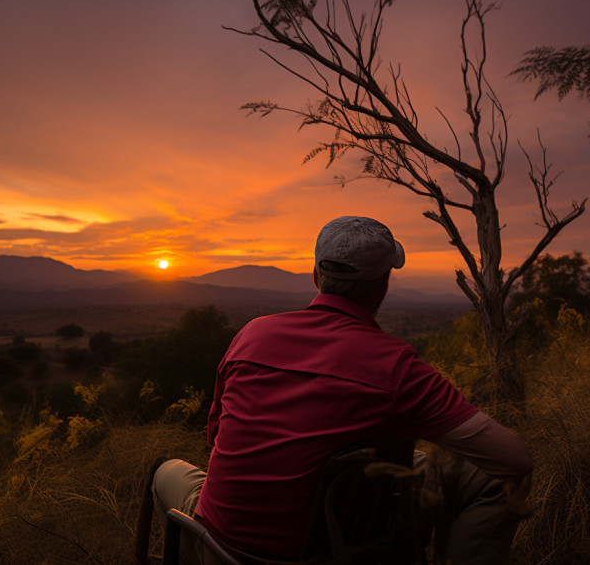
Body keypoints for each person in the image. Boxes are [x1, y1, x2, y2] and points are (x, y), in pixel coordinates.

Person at [153, 215, 532, 564]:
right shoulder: (398, 367)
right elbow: (515, 461)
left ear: (317, 276)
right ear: (382, 284)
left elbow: (216, 439)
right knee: (490, 480)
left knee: (165, 472)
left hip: (217, 547)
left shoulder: (251, 334)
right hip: (314, 552)